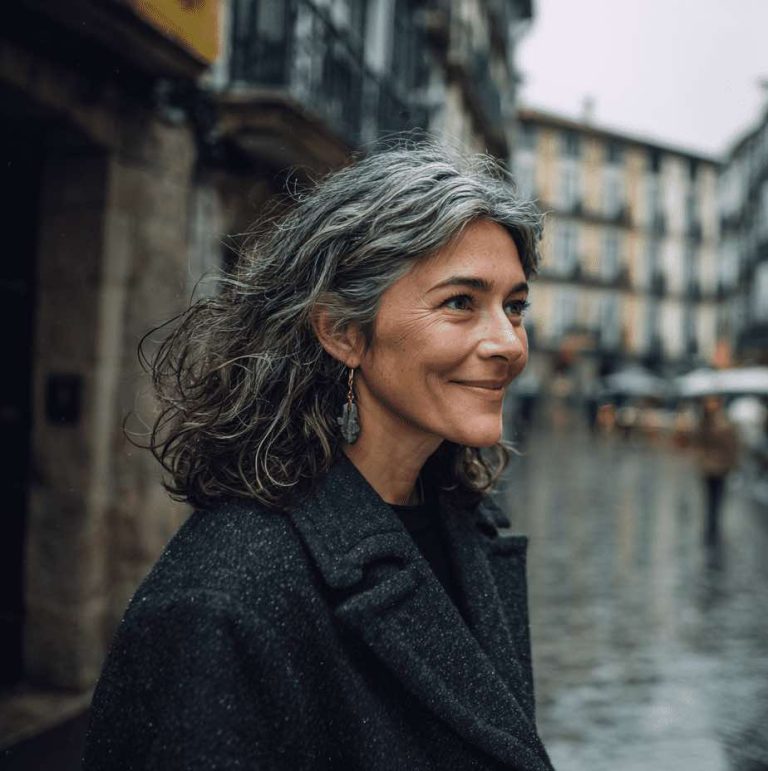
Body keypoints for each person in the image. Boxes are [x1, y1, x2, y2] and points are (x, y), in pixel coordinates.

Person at [82, 145, 555, 770]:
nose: (508, 344)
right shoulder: (225, 601)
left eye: (514, 306)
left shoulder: (466, 524)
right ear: (342, 332)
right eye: (460, 302)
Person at [692, 396, 740, 543]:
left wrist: (732, 463)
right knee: (710, 497)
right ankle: (711, 525)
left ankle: (713, 525)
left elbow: (732, 445)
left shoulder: (724, 423)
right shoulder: (705, 422)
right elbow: (698, 442)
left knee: (717, 498)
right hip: (709, 466)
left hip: (720, 467)